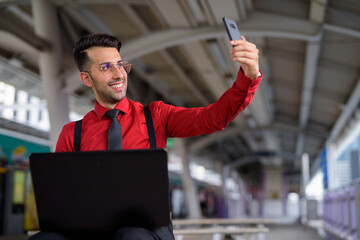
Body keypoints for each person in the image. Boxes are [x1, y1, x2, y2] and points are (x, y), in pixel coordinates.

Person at [30, 33, 262, 240]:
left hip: (147, 229)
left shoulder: (156, 117)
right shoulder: (73, 134)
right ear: (86, 79)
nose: (119, 73)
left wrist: (248, 76)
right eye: (105, 67)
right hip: (92, 229)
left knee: (131, 236)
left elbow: (214, 117)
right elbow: (61, 199)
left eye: (120, 65)